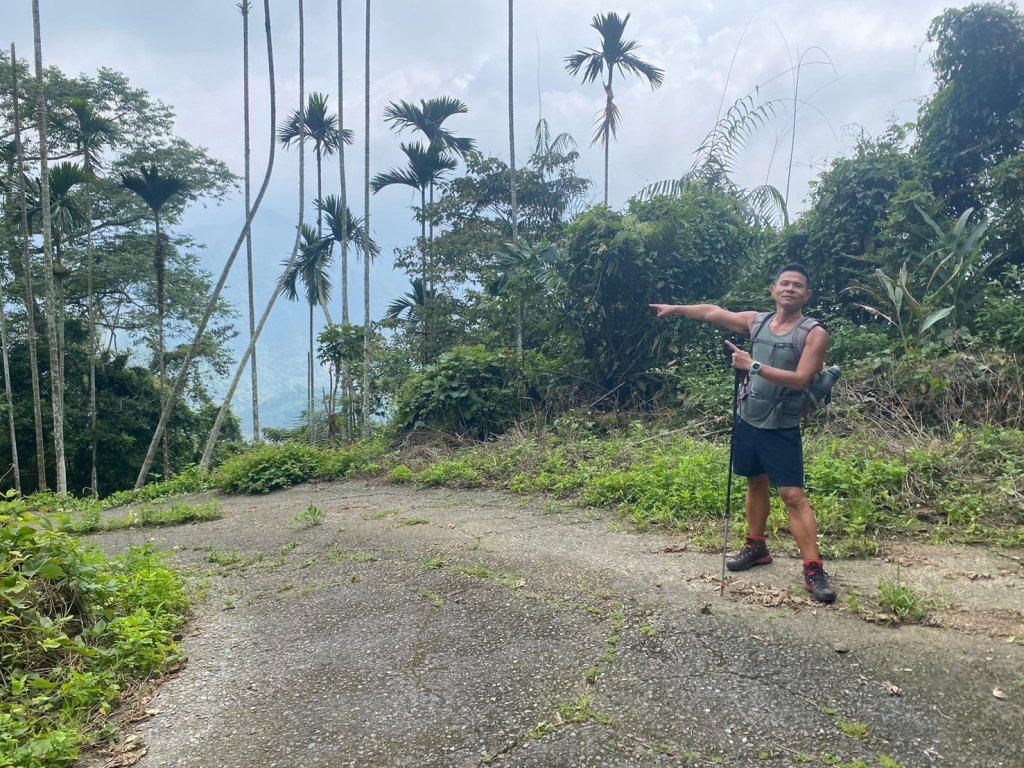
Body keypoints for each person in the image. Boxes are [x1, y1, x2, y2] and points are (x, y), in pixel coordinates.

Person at [649, 263, 837, 603]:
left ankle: (813, 568)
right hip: (749, 418)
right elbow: (712, 312)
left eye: (798, 285)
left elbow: (801, 379)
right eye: (785, 283)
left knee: (793, 496)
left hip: (781, 424)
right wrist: (677, 309)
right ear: (773, 290)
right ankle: (757, 546)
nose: (790, 289)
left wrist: (752, 365)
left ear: (807, 295)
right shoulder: (757, 320)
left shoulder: (813, 333)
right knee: (755, 481)